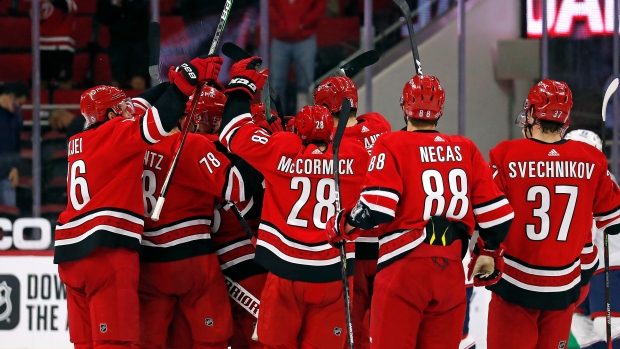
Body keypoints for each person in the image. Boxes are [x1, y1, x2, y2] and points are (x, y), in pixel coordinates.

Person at [325, 74, 515, 348]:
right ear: (441, 110)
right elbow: (499, 217)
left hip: (403, 269)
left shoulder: (391, 143)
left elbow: (376, 209)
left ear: (404, 107)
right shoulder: (465, 148)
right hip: (450, 273)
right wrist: (488, 251)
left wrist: (342, 224)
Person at [53, 55, 223, 349]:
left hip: (70, 256)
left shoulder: (78, 140)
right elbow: (157, 123)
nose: (127, 110)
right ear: (107, 115)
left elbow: (142, 105)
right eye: (120, 108)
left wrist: (170, 85)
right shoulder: (116, 133)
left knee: (85, 344)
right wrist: (186, 81)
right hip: (105, 253)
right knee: (116, 343)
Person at [218, 56, 370, 348]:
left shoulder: (282, 149)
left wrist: (241, 86)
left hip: (285, 273)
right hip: (334, 275)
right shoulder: (356, 155)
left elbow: (232, 132)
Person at [486, 80, 620, 349]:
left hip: (515, 285)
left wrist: (484, 253)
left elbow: (488, 216)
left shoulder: (505, 155)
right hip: (564, 287)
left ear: (533, 114)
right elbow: (613, 219)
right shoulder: (591, 160)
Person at [139, 84, 263, 349]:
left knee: (153, 341)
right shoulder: (191, 146)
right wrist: (259, 140)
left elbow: (131, 109)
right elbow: (238, 185)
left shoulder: (133, 142)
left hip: (147, 262)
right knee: (212, 338)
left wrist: (173, 88)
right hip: (197, 259)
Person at [313, 75, 391, 349]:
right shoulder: (380, 126)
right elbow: (365, 120)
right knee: (387, 329)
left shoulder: (332, 142)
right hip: (388, 247)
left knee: (353, 329)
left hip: (353, 245)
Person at [564, 129, 620, 349]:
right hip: (590, 264)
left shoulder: (593, 178)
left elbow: (584, 228)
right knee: (579, 324)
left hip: (608, 262)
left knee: (609, 325)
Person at [269, 0, 326, 114]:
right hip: (280, 39)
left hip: (305, 39)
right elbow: (270, 7)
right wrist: (282, 25)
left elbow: (319, 6)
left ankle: (306, 121)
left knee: (306, 84)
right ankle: (275, 121)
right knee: (276, 83)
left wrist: (303, 24)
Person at [96, 0, 150, 90]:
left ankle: (139, 103)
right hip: (117, 42)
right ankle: (117, 103)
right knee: (118, 81)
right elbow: (103, 17)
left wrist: (123, 3)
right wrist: (115, 5)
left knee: (138, 80)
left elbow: (141, 10)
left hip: (138, 41)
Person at [36, 0, 77, 89]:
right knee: (41, 83)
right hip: (42, 47)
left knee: (64, 81)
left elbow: (71, 7)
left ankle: (65, 102)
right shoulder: (41, 3)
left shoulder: (68, 2)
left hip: (61, 47)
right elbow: (32, 15)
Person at [0, 82, 28, 207]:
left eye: (11, 97)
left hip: (7, 171)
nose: (9, 100)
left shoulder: (16, 115)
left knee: (9, 210)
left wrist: (16, 167)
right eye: (6, 96)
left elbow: (16, 144)